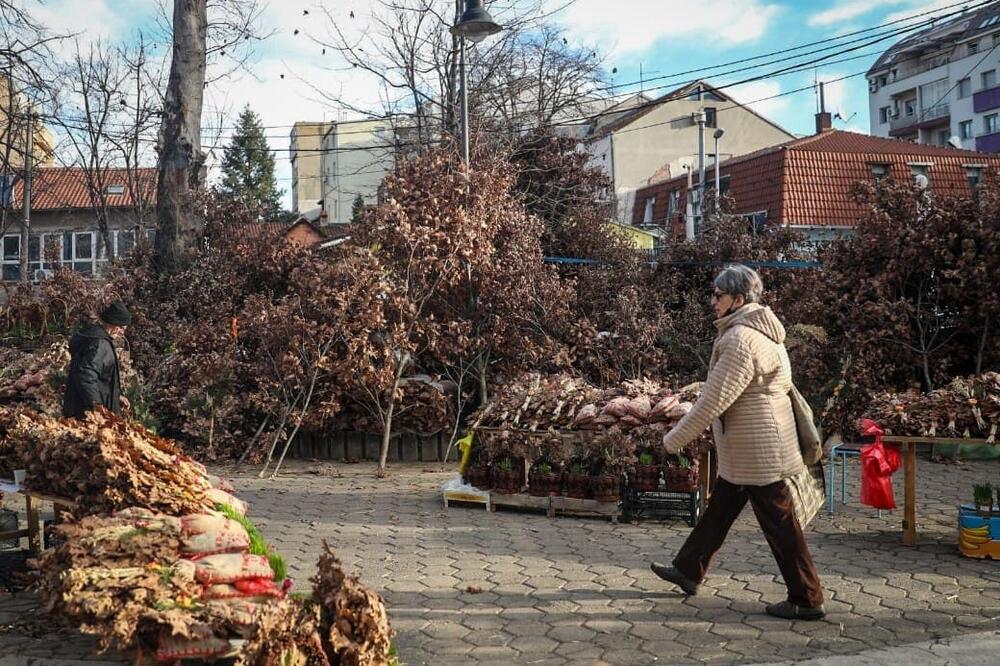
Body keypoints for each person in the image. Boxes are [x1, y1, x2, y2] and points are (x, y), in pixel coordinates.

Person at [650, 264, 825, 620]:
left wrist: (671, 441)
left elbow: (712, 401)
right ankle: (688, 569)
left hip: (761, 453)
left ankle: (807, 598)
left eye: (719, 295)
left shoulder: (740, 340)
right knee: (721, 509)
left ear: (739, 299)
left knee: (781, 524)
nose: (712, 301)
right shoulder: (756, 331)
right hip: (749, 448)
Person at [63, 301, 131, 420]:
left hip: (78, 407)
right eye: (122, 328)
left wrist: (115, 396)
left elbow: (99, 378)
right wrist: (98, 409)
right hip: (88, 414)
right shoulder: (100, 344)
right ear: (114, 326)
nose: (122, 333)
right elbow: (86, 376)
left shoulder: (91, 336)